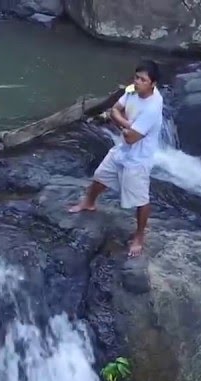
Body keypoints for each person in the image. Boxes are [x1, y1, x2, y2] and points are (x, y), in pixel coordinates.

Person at [69, 59, 164, 258]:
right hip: (122, 149)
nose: (137, 82)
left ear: (153, 84)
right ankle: (89, 202)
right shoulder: (131, 91)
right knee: (100, 176)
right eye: (136, 77)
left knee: (140, 200)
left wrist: (121, 124)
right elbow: (114, 109)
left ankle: (139, 236)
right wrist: (127, 123)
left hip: (138, 158)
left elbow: (131, 139)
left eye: (142, 80)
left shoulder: (153, 107)